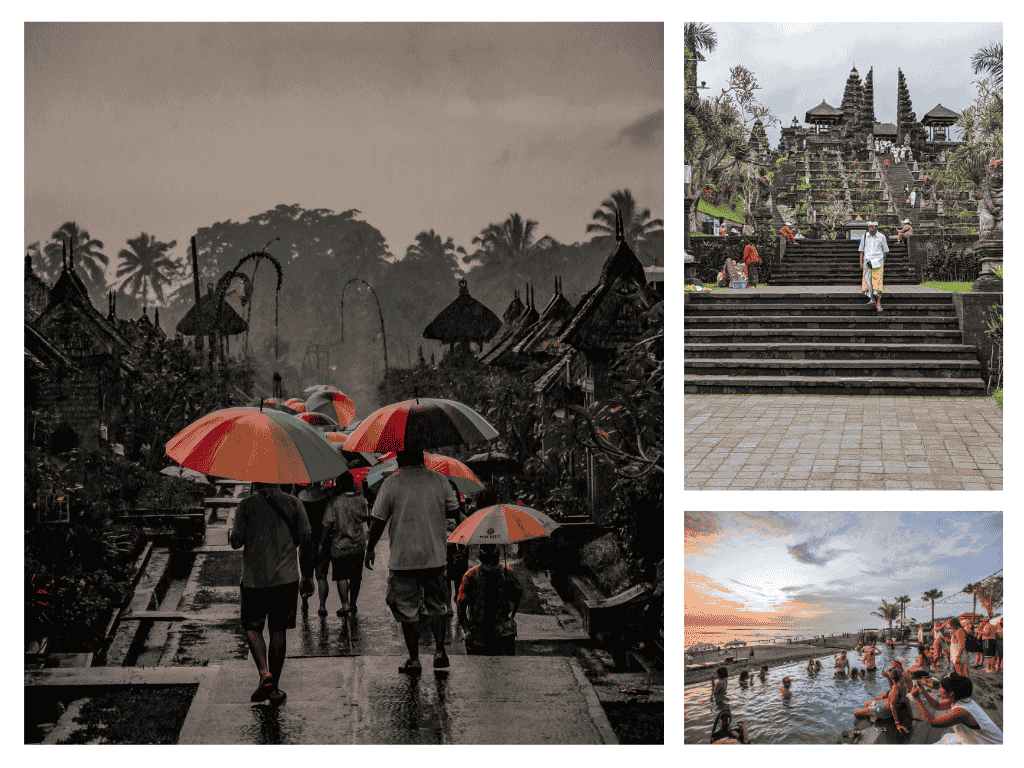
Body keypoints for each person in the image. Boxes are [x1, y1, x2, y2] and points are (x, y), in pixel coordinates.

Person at [365, 448, 460, 675]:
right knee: (437, 606)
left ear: (400, 458)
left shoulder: (391, 484)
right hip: (435, 556)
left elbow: (378, 520)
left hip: (403, 559)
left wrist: (370, 548)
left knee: (408, 610)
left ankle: (414, 659)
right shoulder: (439, 480)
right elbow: (455, 511)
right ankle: (439, 652)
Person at [230, 481, 313, 707]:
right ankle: (274, 689)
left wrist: (233, 531)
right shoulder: (294, 503)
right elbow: (306, 540)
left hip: (254, 580)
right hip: (285, 579)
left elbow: (236, 543)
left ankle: (264, 673)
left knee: (252, 627)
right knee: (278, 630)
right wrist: (307, 576)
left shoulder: (245, 505)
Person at [456, 544, 523, 656]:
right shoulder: (470, 576)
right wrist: (467, 631)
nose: (490, 566)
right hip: (477, 632)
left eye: (493, 562)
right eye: (487, 562)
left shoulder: (507, 573)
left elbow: (518, 594)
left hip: (503, 631)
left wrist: (511, 616)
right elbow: (461, 607)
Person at [319, 471, 368, 617]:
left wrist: (322, 543)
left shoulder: (334, 502)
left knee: (341, 575)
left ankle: (345, 604)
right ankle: (353, 604)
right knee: (355, 576)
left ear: (340, 484)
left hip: (339, 546)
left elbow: (327, 524)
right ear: (352, 483)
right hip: (358, 544)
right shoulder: (361, 500)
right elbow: (365, 517)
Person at [911, 673, 1003, 743]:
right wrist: (923, 691)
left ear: (951, 692)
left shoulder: (961, 711)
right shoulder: (960, 698)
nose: (939, 690)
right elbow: (937, 705)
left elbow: (933, 722)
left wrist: (917, 699)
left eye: (941, 687)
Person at [297, 481, 331, 615]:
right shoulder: (326, 496)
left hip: (306, 542)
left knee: (306, 576)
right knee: (322, 577)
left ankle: (305, 603)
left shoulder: (300, 498)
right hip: (323, 540)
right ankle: (322, 606)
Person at [854, 667, 909, 733]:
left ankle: (872, 718)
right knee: (867, 703)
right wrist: (887, 677)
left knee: (856, 713)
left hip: (880, 711)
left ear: (893, 678)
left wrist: (897, 724)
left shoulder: (895, 690)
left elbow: (892, 707)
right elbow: (904, 699)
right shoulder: (901, 686)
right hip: (881, 706)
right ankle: (870, 716)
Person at [858, 221, 889, 312]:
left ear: (876, 227)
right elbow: (861, 251)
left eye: (872, 227)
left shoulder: (882, 237)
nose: (870, 228)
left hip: (878, 263)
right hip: (867, 262)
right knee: (868, 284)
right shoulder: (864, 237)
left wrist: (883, 263)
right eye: (869, 227)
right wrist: (861, 262)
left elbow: (885, 251)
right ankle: (872, 300)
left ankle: (878, 304)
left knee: (878, 285)